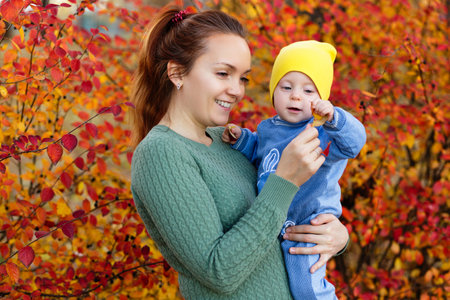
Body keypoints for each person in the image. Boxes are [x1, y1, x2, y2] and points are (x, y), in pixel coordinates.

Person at [130, 8, 349, 299]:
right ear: (177, 72)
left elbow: (278, 220)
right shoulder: (161, 154)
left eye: (243, 78)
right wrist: (285, 181)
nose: (236, 90)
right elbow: (219, 272)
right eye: (224, 73)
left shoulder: (228, 141)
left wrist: (335, 236)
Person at [222, 40, 366, 299]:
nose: (296, 96)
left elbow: (355, 143)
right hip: (273, 222)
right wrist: (241, 139)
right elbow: (259, 152)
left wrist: (335, 117)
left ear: (321, 99)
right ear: (273, 91)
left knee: (306, 287)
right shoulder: (268, 128)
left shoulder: (323, 132)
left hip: (309, 225)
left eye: (309, 91)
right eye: (286, 87)